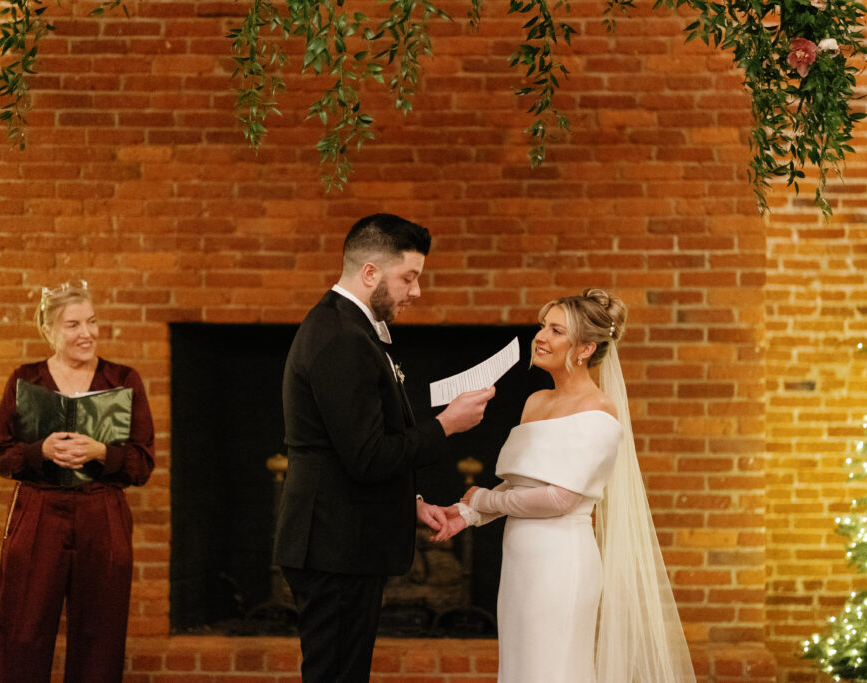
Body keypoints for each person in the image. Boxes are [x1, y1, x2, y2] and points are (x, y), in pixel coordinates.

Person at [275, 213, 495, 683]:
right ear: (370, 272)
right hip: (335, 545)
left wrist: (408, 502)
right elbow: (368, 456)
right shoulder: (341, 337)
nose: (416, 291)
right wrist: (446, 425)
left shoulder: (348, 328)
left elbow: (348, 446)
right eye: (408, 278)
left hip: (340, 539)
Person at [439, 288, 695, 682]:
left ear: (585, 349)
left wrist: (484, 499)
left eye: (556, 330)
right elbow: (521, 484)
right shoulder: (536, 401)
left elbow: (561, 498)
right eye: (543, 326)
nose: (540, 337)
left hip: (560, 562)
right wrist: (467, 513)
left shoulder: (598, 411)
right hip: (521, 561)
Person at [0, 281, 155, 682]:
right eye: (73, 324)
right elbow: (1, 454)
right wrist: (40, 451)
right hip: (38, 512)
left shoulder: (123, 380)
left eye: (92, 322)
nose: (87, 333)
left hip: (102, 511)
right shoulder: (26, 380)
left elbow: (142, 464)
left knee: (100, 634)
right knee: (23, 630)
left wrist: (102, 453)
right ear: (48, 330)